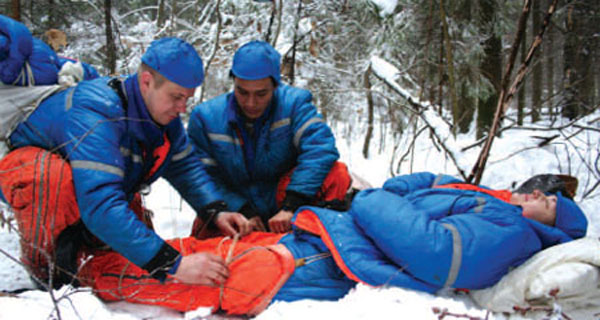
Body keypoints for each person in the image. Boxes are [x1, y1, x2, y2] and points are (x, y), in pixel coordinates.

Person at [74, 171, 587, 316]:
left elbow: (436, 254)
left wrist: (370, 203)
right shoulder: (493, 202)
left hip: (331, 258)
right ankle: (101, 255)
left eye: (548, 201)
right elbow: (421, 184)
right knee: (199, 251)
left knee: (220, 273)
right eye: (537, 190)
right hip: (332, 238)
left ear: (556, 224)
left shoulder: (515, 234)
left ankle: (86, 273)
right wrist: (389, 197)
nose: (536, 195)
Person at [0, 31, 252, 289]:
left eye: (186, 99)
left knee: (125, 256)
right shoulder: (97, 111)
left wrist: (215, 209)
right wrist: (172, 264)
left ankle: (82, 244)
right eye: (176, 97)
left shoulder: (162, 115)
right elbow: (100, 204)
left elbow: (184, 166)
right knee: (52, 177)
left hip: (86, 186)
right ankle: (48, 272)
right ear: (146, 81)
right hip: (25, 172)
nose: (182, 108)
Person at [187, 40, 351, 236]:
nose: (250, 103)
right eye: (242, 92)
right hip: (236, 206)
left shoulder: (295, 104)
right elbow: (201, 177)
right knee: (206, 225)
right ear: (234, 83)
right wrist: (241, 210)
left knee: (336, 174)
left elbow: (321, 150)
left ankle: (317, 237)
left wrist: (292, 205)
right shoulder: (205, 118)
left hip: (284, 199)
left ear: (275, 86)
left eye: (261, 94)